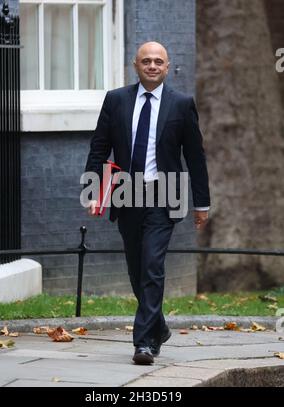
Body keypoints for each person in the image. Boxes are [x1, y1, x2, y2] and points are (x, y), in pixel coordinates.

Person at [84, 42, 210, 365]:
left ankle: (144, 343)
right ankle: (159, 326)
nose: (152, 66)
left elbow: (195, 156)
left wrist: (202, 203)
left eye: (158, 61)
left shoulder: (181, 105)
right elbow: (99, 147)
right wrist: (92, 189)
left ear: (167, 67)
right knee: (136, 267)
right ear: (135, 65)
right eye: (146, 61)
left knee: (152, 265)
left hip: (164, 195)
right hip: (126, 195)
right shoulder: (116, 101)